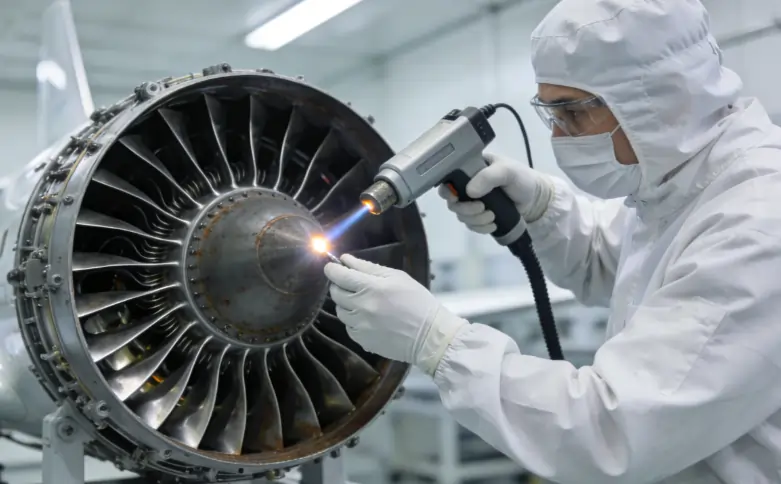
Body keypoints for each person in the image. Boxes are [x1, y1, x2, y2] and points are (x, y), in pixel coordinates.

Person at [324, 0, 781, 482]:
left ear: (658, 99)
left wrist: (438, 342)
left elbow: (611, 431)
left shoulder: (757, 220)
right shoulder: (679, 190)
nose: (560, 136)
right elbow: (613, 260)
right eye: (550, 113)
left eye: (572, 113)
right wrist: (543, 209)